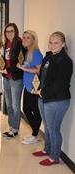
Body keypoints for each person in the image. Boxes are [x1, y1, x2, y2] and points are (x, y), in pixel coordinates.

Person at [33, 32, 72, 166]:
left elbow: (60, 84)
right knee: (48, 127)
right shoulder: (49, 56)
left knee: (53, 129)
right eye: (51, 42)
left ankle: (54, 157)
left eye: (56, 42)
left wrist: (43, 92)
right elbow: (42, 75)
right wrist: (37, 88)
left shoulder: (65, 61)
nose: (53, 45)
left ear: (63, 44)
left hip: (57, 101)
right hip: (43, 97)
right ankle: (47, 149)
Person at [16, 30, 43, 144]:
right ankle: (35, 134)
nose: (25, 39)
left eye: (28, 38)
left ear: (33, 40)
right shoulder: (28, 52)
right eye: (24, 37)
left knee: (34, 111)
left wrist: (23, 68)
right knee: (27, 109)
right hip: (28, 86)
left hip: (34, 87)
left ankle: (35, 135)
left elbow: (39, 70)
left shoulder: (36, 52)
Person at [0, 23, 24, 138]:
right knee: (8, 104)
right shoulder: (6, 44)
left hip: (15, 78)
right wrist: (3, 68)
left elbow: (20, 63)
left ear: (16, 32)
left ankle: (15, 129)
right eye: (7, 31)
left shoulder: (20, 43)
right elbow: (5, 60)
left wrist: (7, 69)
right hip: (6, 78)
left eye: (11, 31)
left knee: (15, 105)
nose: (9, 33)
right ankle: (11, 127)